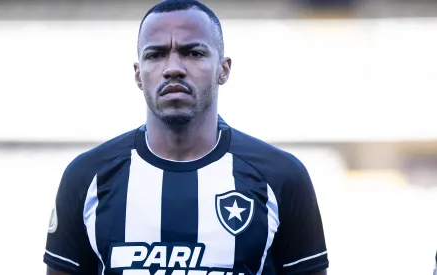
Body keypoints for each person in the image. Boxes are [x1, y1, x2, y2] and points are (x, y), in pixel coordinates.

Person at [43, 0, 329, 274]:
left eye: (193, 52)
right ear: (138, 74)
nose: (173, 68)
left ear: (224, 69)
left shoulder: (281, 176)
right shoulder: (86, 177)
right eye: (155, 55)